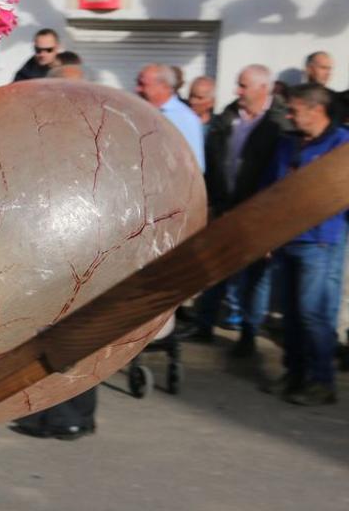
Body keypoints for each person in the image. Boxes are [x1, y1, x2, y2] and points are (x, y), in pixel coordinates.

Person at [263, 84, 349, 405]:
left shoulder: (342, 145)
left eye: (294, 110)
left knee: (315, 314)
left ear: (316, 109)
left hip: (321, 241)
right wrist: (267, 234)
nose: (288, 115)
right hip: (286, 241)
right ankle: (294, 373)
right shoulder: (289, 144)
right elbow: (271, 192)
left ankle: (322, 382)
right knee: (291, 314)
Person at [191, 64, 287, 352]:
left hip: (256, 213)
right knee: (214, 270)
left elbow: (278, 177)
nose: (237, 91)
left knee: (254, 278)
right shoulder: (228, 118)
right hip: (225, 208)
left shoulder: (278, 124)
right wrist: (212, 202)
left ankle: (248, 334)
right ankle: (204, 325)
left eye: (243, 86)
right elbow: (213, 164)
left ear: (263, 89)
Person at [135, 63, 205, 170]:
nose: (137, 89)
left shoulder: (185, 118)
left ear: (164, 86)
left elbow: (195, 168)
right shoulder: (139, 111)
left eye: (143, 84)